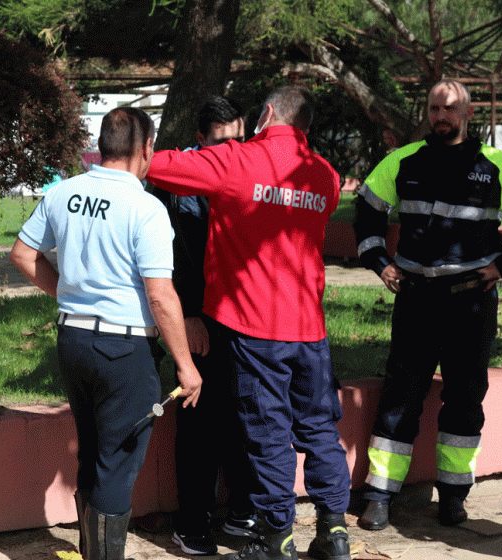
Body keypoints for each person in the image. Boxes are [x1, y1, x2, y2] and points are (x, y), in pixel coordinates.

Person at [145, 85, 352, 560]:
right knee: (321, 428)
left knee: (269, 432)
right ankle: (334, 530)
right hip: (310, 329)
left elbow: (159, 166)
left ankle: (275, 538)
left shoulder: (238, 161)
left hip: (253, 327)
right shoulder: (325, 176)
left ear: (266, 115)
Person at [352, 79, 502, 530]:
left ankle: (453, 494)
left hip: (472, 303)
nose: (440, 116)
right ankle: (381, 495)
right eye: (433, 108)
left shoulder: (496, 166)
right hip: (416, 299)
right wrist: (379, 263)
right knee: (400, 395)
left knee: (466, 396)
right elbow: (366, 210)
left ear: (467, 112)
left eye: (449, 109)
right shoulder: (403, 161)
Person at [9, 107, 203, 560]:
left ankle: (91, 552)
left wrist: (68, 293)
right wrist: (186, 365)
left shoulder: (64, 193)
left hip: (73, 341)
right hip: (125, 349)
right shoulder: (147, 208)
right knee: (118, 464)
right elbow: (161, 296)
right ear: (145, 150)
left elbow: (22, 254)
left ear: (103, 145)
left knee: (94, 452)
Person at [153, 96, 258, 556]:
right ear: (200, 140)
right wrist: (187, 316)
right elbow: (167, 256)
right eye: (221, 143)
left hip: (247, 316)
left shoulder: (252, 170)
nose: (232, 150)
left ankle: (241, 512)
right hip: (197, 317)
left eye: (239, 139)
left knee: (243, 412)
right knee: (198, 419)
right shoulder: (177, 184)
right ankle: (192, 520)